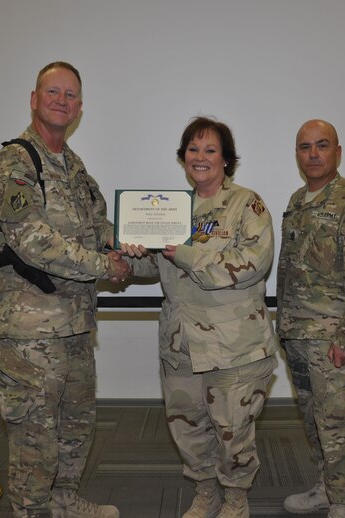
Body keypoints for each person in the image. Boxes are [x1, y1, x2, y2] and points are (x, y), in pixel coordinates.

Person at [0, 61, 129, 518]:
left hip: (74, 324)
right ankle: (30, 510)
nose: (62, 101)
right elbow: (33, 241)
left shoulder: (74, 167)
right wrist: (103, 265)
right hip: (32, 332)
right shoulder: (15, 162)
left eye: (71, 95)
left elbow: (98, 223)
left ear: (80, 107)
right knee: (34, 437)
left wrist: (122, 240)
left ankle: (65, 502)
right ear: (34, 99)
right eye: (53, 92)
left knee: (75, 424)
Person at [122, 116, 278, 518]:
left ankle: (235, 498)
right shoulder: (172, 210)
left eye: (210, 150)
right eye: (193, 149)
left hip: (234, 347)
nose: (201, 157)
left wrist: (186, 253)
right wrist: (127, 256)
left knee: (233, 432)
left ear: (226, 159)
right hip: (181, 344)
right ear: (183, 158)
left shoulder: (248, 204)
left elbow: (251, 264)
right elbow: (158, 268)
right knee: (188, 428)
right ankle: (205, 491)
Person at [276, 120, 345, 518]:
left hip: (335, 339)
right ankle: (326, 486)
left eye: (322, 145)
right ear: (298, 155)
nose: (313, 154)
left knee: (344, 427)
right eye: (305, 147)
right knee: (316, 423)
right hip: (299, 336)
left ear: (338, 151)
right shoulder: (297, 200)